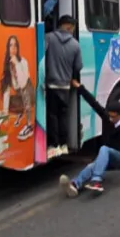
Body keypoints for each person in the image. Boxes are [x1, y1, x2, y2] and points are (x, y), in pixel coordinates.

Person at [59, 81, 120, 196]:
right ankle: (74, 185)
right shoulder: (108, 118)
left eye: (113, 117)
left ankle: (97, 181)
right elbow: (94, 103)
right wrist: (80, 88)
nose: (110, 119)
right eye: (109, 116)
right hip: (107, 157)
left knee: (104, 149)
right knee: (91, 166)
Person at [45, 15, 82, 157]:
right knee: (63, 116)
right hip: (65, 86)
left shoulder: (48, 38)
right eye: (72, 28)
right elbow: (78, 66)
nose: (73, 30)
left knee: (52, 116)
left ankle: (54, 146)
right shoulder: (75, 44)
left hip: (51, 85)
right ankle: (64, 145)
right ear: (68, 27)